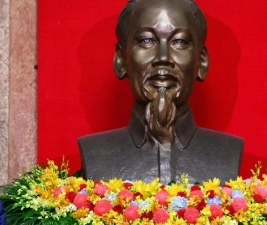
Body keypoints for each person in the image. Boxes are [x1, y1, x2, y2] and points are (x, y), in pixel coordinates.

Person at [78, 0, 243, 184]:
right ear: (121, 60)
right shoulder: (95, 153)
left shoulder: (228, 151)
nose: (163, 58)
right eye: (147, 41)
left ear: (201, 62)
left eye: (179, 42)